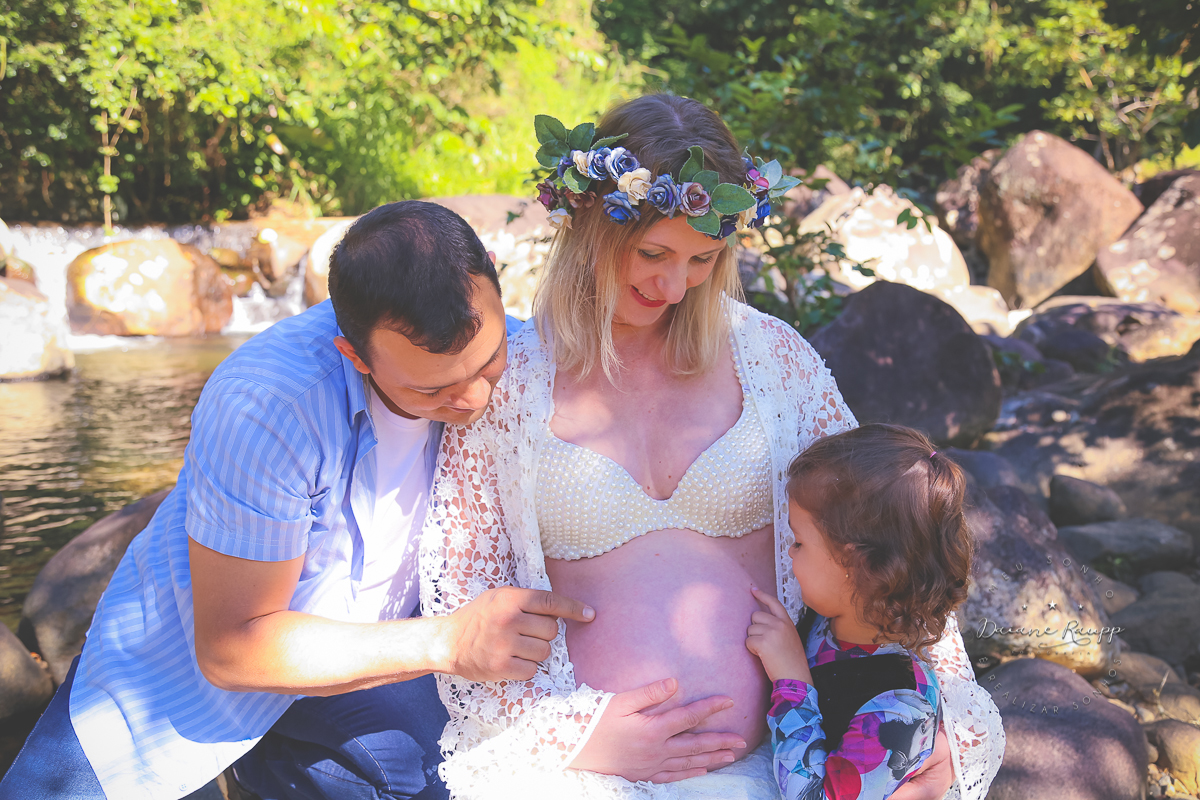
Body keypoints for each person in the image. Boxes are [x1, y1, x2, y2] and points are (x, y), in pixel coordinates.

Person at [419, 94, 1005, 800]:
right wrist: (576, 741)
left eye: (703, 258)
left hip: (789, 769)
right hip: (576, 770)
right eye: (653, 253)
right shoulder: (510, 381)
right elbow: (466, 594)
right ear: (589, 220)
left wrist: (946, 720)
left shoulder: (773, 360)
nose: (673, 286)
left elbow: (888, 530)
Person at [0, 201, 595, 800]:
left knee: (467, 772)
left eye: (488, 363)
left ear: (490, 274)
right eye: (433, 389)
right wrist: (451, 642)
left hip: (372, 658)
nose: (474, 400)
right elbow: (233, 650)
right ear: (354, 356)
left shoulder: (511, 342)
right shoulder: (265, 408)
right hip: (186, 687)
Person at [745, 424, 976, 799]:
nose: (789, 552)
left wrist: (792, 678)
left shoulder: (899, 708)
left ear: (853, 566)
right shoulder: (829, 619)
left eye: (799, 542)